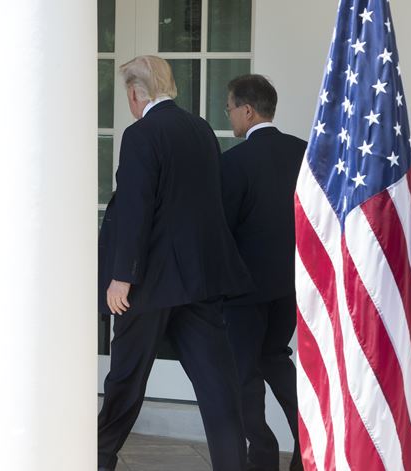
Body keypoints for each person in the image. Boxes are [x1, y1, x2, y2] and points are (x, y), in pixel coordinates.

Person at [97, 55, 253, 471]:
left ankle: (99, 459)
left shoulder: (141, 134)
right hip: (198, 281)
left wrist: (121, 277)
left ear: (135, 93)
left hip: (148, 285)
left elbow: (136, 208)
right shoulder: (199, 129)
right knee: (218, 386)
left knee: (126, 381)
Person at [221, 74, 306, 471]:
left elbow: (224, 227)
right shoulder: (305, 153)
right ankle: (307, 442)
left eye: (230, 108)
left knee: (244, 374)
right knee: (274, 357)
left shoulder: (234, 161)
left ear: (248, 110)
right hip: (291, 285)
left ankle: (264, 457)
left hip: (244, 291)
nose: (229, 115)